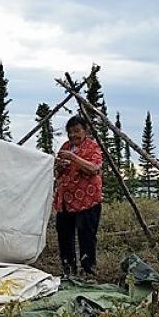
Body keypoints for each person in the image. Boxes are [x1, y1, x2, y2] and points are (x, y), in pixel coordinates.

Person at [53, 115, 103, 277]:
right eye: (70, 132)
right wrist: (60, 166)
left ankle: (88, 270)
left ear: (85, 131)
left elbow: (94, 168)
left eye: (77, 131)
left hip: (87, 201)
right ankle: (68, 268)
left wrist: (74, 158)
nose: (73, 135)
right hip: (66, 201)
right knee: (64, 235)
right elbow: (57, 172)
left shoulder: (92, 147)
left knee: (86, 235)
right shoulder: (66, 146)